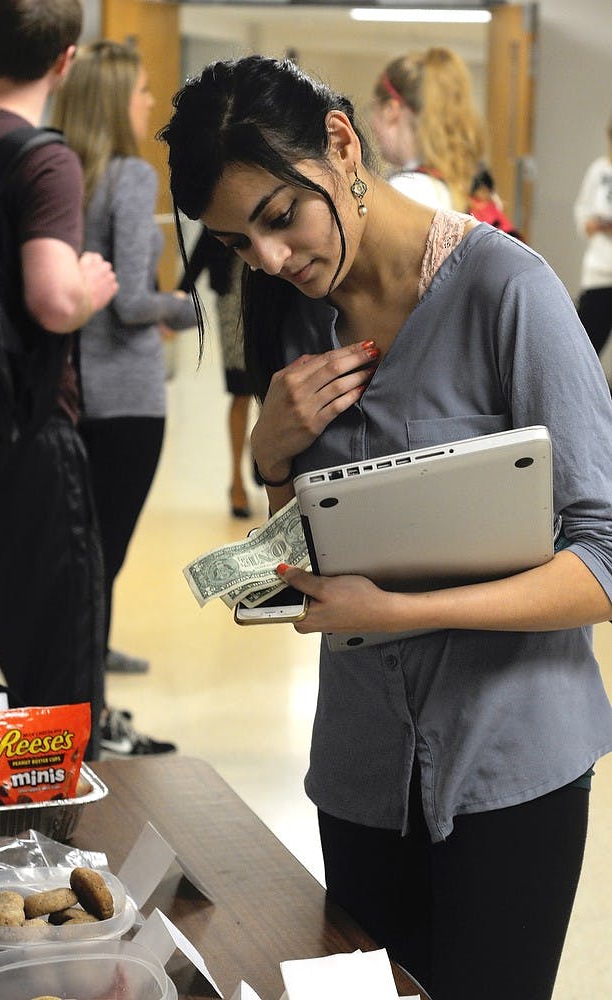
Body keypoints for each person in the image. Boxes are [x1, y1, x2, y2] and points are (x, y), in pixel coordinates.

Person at [160, 55, 612, 1000]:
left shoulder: (507, 292)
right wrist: (270, 457)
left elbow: (603, 559)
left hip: (508, 764)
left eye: (280, 219)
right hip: (365, 768)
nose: (272, 261)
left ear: (341, 142)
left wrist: (405, 609)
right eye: (241, 245)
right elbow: (315, 536)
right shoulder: (295, 312)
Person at [0, 0, 118, 758]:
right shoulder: (40, 157)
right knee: (55, 691)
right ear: (65, 60)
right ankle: (42, 857)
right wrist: (90, 284)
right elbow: (53, 300)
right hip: (21, 454)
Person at [51, 40, 196, 687]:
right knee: (105, 549)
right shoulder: (132, 177)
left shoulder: (57, 175)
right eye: (140, 92)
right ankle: (88, 692)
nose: (148, 104)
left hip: (69, 390)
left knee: (78, 543)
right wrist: (189, 305)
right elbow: (133, 301)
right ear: (116, 101)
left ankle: (86, 659)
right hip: (127, 396)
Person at [179, 228, 256, 518]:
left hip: (272, 295)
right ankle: (236, 482)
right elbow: (206, 239)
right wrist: (181, 290)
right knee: (241, 391)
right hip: (232, 298)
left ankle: (263, 458)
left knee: (271, 389)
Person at [368, 47, 485, 211]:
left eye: (373, 108)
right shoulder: (473, 189)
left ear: (390, 110)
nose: (372, 123)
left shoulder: (406, 192)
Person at [573, 113, 612, 358]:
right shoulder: (598, 170)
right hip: (598, 272)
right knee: (584, 350)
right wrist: (592, 225)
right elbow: (582, 211)